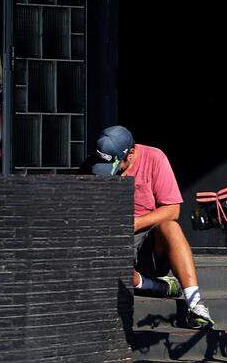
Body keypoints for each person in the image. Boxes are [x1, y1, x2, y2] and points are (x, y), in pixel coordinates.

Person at [90, 125, 214, 329]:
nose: (112, 172)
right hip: (112, 243)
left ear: (130, 153)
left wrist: (135, 223)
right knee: (113, 274)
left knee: (171, 226)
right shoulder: (95, 163)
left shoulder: (154, 158)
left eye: (116, 165)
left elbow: (172, 209)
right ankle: (162, 287)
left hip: (146, 242)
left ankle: (195, 304)